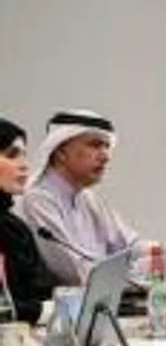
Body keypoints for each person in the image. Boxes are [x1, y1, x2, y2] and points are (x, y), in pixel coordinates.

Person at [19, 110, 139, 286]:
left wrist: (165, 255)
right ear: (61, 152)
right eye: (95, 145)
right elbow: (74, 273)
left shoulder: (88, 198)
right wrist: (131, 276)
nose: (106, 157)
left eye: (107, 147)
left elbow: (129, 245)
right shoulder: (37, 200)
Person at [0, 119, 55, 325]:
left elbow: (37, 290)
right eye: (12, 155)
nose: (25, 165)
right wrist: (41, 311)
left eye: (24, 155)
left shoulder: (13, 226)